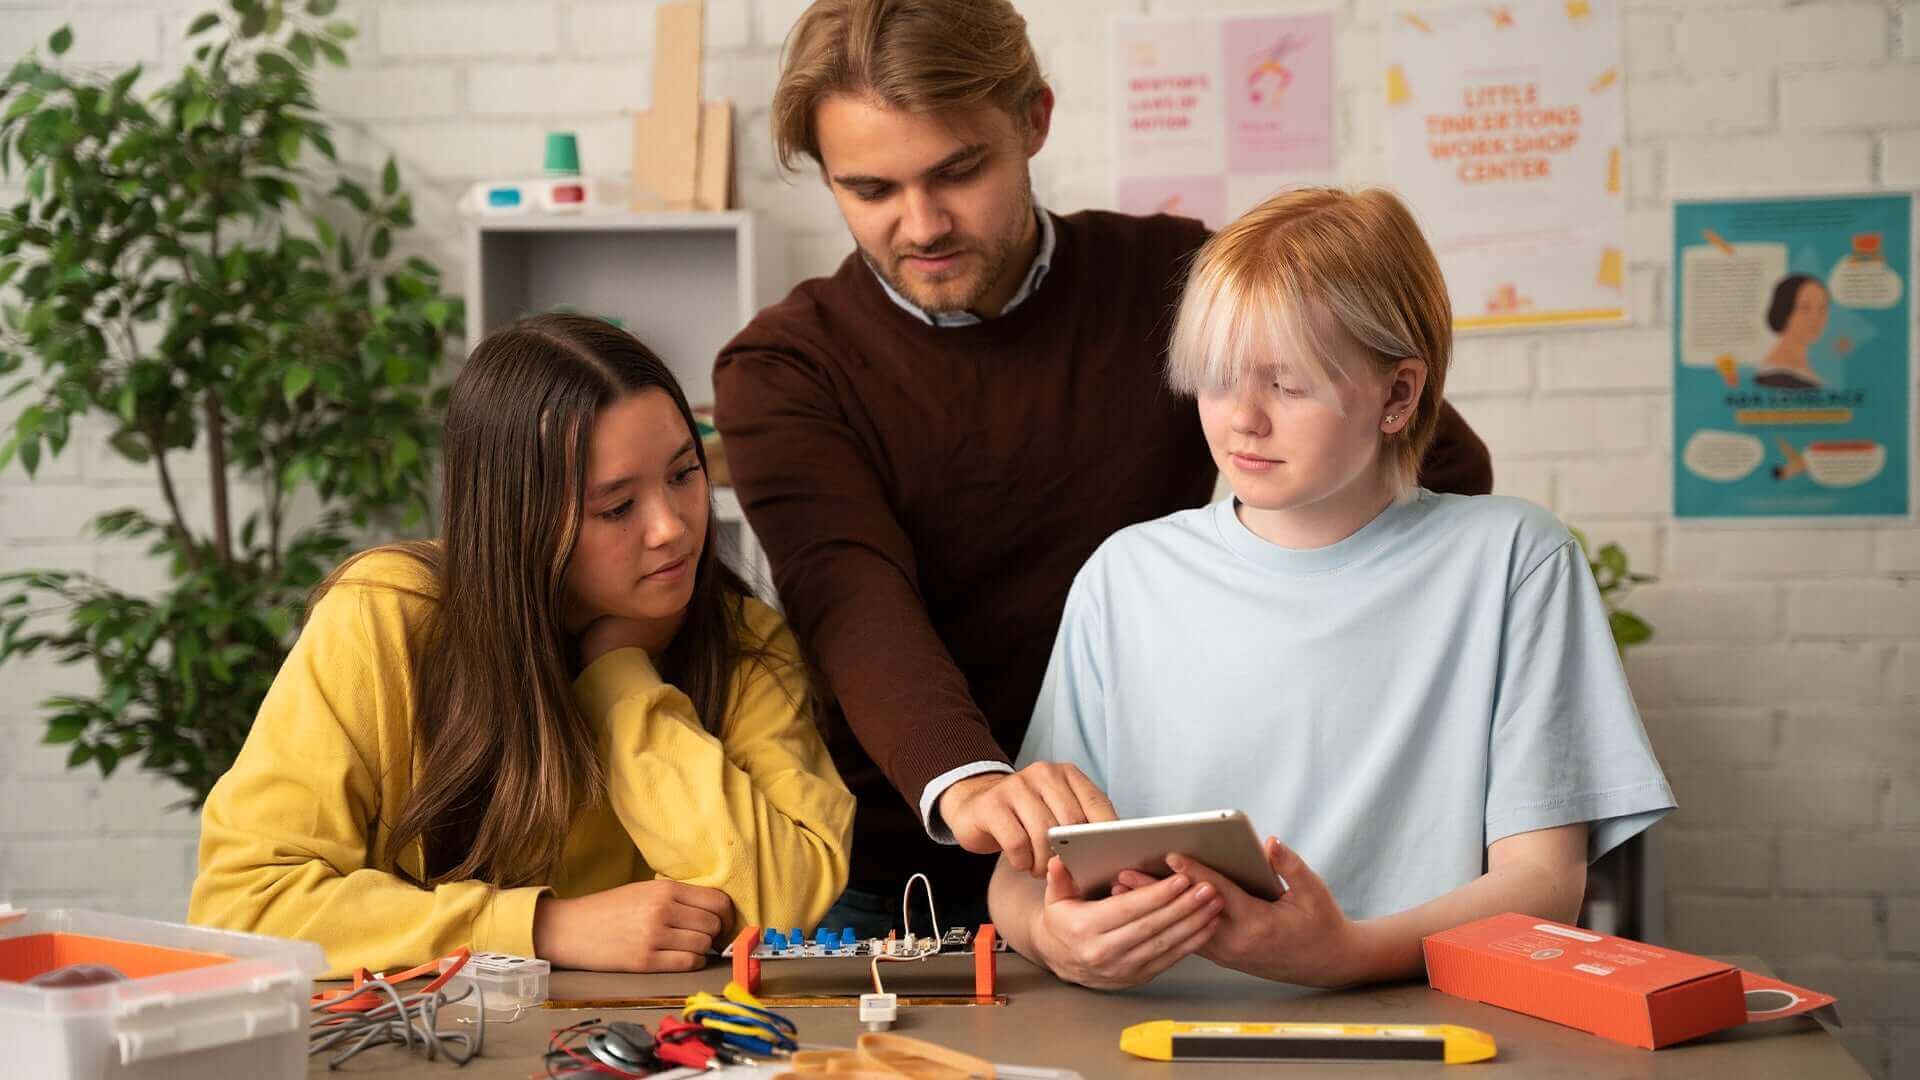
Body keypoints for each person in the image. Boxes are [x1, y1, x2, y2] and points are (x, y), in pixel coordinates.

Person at [713, 0, 1494, 936]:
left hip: (1139, 852)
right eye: (870, 189)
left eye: (959, 171)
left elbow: (1431, 456)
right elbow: (848, 591)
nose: (922, 224)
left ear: (1034, 120)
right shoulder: (784, 367)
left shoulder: (1171, 277)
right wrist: (968, 780)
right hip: (898, 869)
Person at [989, 187, 1675, 990]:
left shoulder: (1514, 562)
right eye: (1217, 379)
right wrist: (1050, 935)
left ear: (1399, 395)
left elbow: (1546, 881)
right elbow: (1024, 870)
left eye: (1287, 386)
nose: (1243, 420)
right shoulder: (1126, 576)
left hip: (1415, 1033)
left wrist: (1347, 954)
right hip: (1147, 1036)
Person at [190, 314, 854, 977]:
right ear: (518, 518)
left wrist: (619, 676)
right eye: (616, 508)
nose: (672, 528)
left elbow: (780, 906)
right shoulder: (385, 614)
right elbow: (243, 909)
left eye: (683, 474)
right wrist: (541, 927)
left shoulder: (742, 640)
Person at [1755, 273, 1831, 390]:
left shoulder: (1801, 367)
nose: (1816, 319)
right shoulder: (1777, 374)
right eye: (1805, 308)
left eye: (1822, 309)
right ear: (1785, 311)